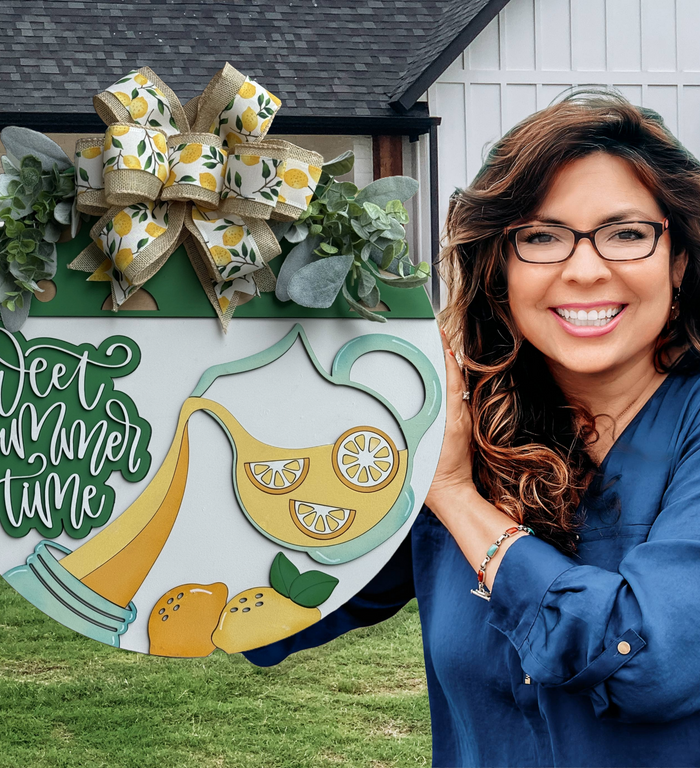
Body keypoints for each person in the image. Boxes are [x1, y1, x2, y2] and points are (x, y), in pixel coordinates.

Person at [244, 91, 700, 767]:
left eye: (626, 233)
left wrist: (458, 497)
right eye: (541, 237)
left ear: (679, 259)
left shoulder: (452, 466)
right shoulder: (462, 425)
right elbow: (281, 602)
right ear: (500, 268)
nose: (583, 269)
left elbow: (649, 662)